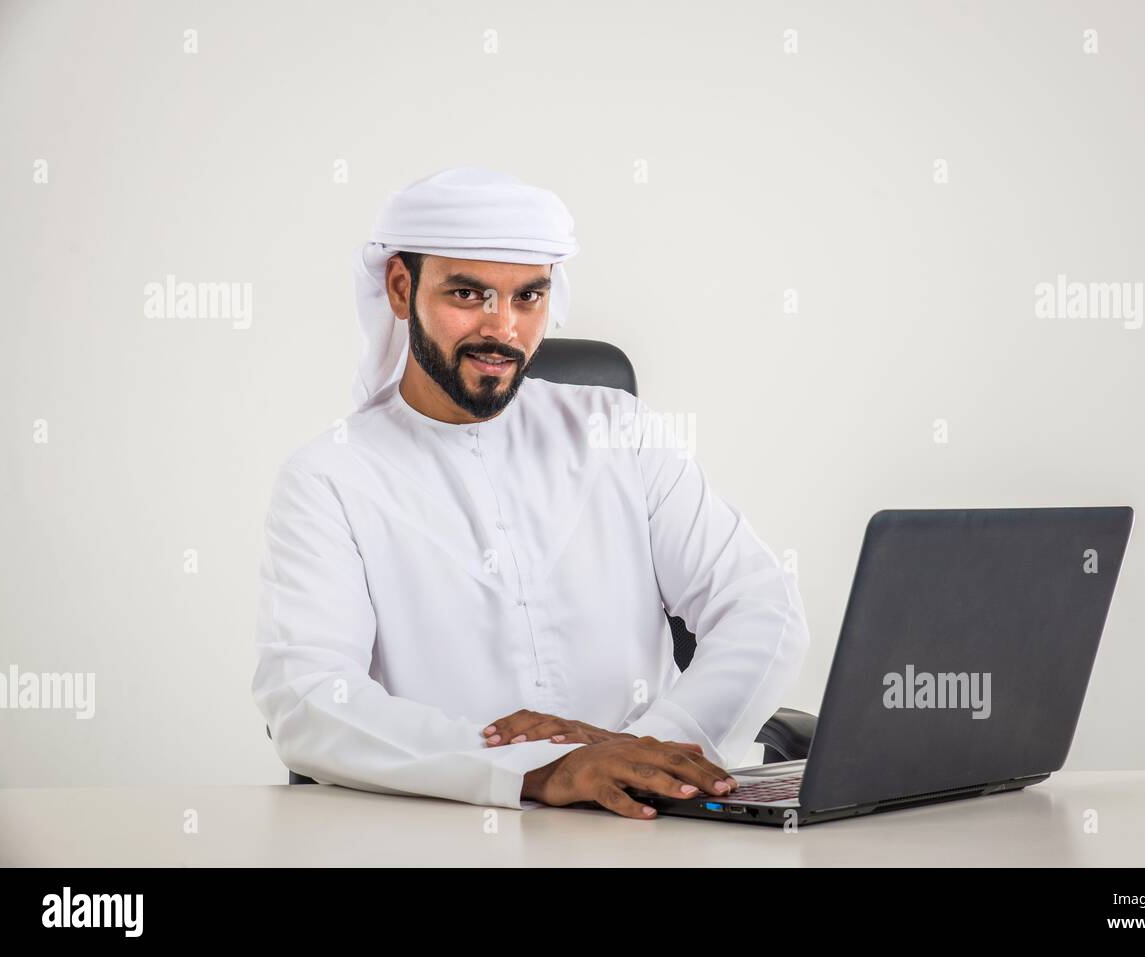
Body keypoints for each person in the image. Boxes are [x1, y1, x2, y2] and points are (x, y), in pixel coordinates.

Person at [251, 166, 810, 819]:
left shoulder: (617, 430)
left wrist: (647, 749)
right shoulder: (330, 477)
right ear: (401, 289)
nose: (503, 330)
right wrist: (535, 769)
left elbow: (761, 606)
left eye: (528, 298)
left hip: (653, 827)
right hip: (448, 828)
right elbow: (309, 697)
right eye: (468, 294)